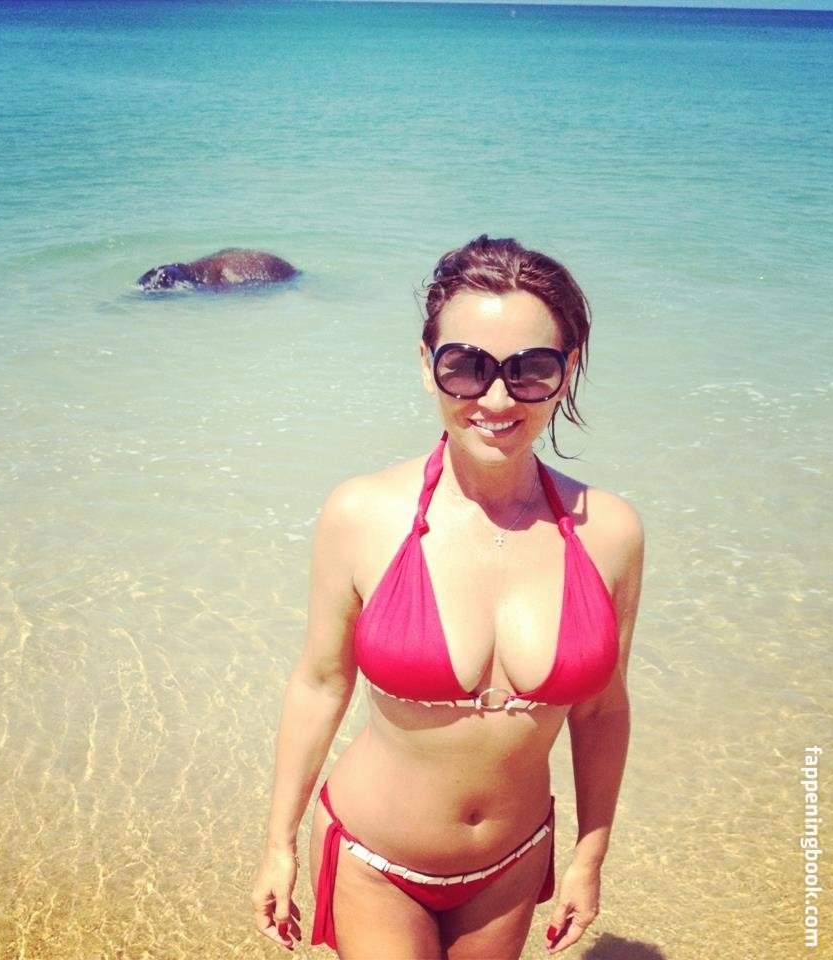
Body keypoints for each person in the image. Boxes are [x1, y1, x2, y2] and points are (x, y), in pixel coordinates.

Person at [251, 235, 643, 958]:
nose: (496, 398)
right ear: (427, 365)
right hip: (375, 861)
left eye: (530, 369)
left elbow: (602, 710)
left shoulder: (610, 532)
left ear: (566, 373)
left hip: (513, 865)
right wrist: (278, 845)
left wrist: (589, 857)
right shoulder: (361, 514)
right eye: (466, 366)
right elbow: (320, 682)